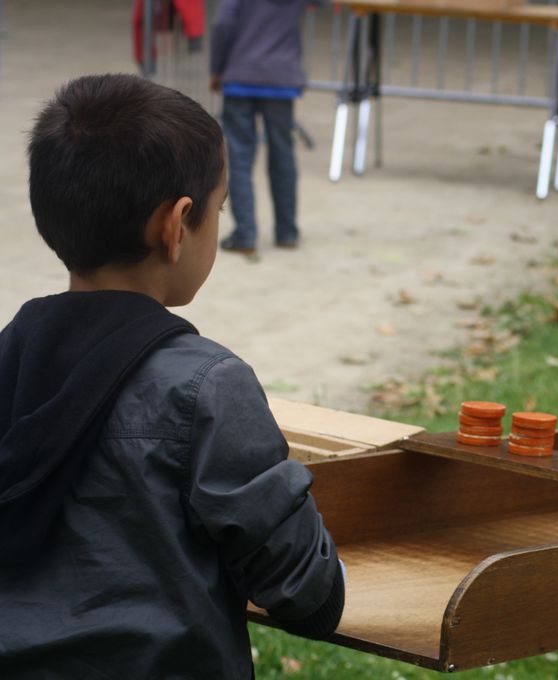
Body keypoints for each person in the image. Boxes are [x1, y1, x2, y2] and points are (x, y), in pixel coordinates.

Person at [0, 74, 344, 677]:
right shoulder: (206, 387)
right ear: (177, 224)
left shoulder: (10, 360)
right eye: (220, 208)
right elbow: (308, 598)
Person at [211, 0, 319, 254]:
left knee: (239, 157)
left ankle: (245, 234)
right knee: (283, 154)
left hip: (241, 73)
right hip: (282, 78)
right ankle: (287, 231)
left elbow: (223, 23)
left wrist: (217, 68)